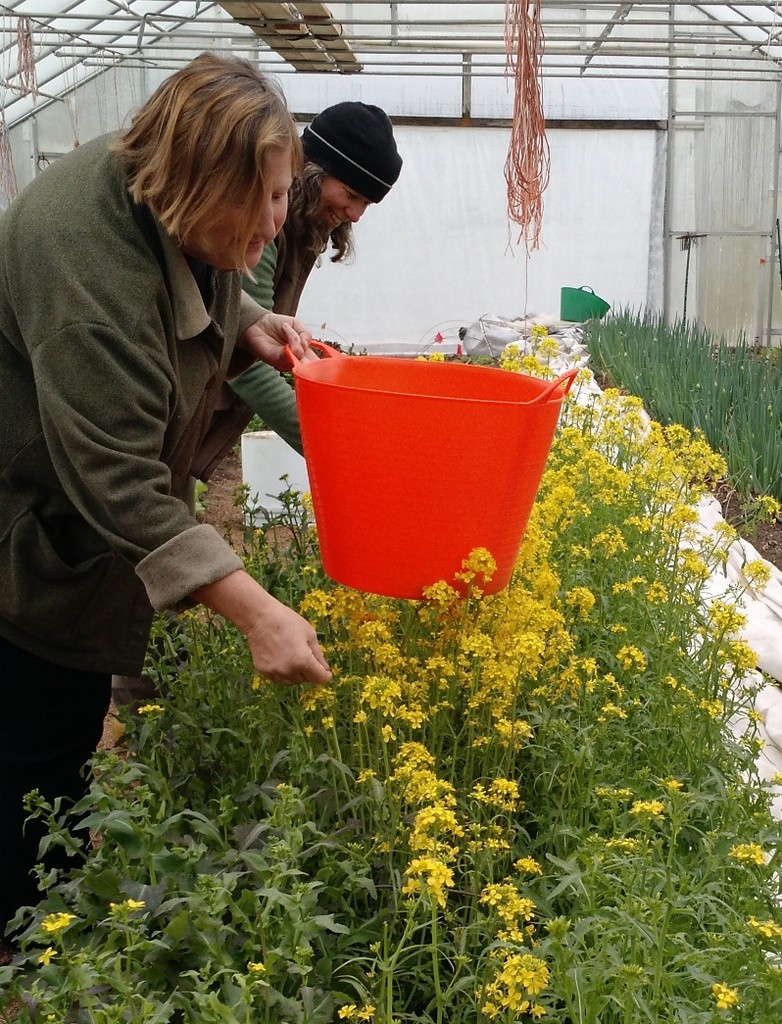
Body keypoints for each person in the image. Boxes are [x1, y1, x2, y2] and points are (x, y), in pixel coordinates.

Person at [0, 53, 332, 940]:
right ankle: (28, 936)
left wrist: (250, 323)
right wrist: (258, 612)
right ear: (203, 175)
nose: (275, 223)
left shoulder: (170, 193)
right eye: (263, 199)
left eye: (281, 195)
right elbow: (114, 475)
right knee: (35, 740)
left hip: (66, 517)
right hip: (23, 523)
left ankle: (46, 905)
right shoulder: (83, 263)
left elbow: (199, 285)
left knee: (63, 733)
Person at [229, 101, 403, 454]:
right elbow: (248, 365)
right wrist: (331, 440)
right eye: (351, 194)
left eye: (366, 203)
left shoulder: (305, 225)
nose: (354, 214)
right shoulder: (265, 233)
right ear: (311, 172)